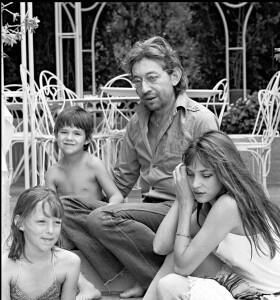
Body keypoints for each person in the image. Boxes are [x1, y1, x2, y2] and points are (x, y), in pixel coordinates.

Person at [79, 35, 219, 298]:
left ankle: (151, 276)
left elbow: (218, 183)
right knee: (67, 206)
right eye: (137, 81)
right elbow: (122, 181)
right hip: (147, 210)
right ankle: (135, 273)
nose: (143, 88)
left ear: (174, 76)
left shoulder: (201, 120)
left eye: (152, 78)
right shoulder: (135, 122)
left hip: (182, 208)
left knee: (102, 218)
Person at [143, 130, 280, 300]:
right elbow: (161, 246)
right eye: (190, 174)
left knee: (170, 284)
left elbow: (182, 268)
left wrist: (186, 205)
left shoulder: (229, 205)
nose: (196, 184)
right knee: (175, 256)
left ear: (225, 172)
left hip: (278, 296)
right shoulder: (210, 207)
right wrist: (180, 200)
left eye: (206, 175)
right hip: (248, 290)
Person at [45, 105, 124, 299]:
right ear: (56, 135)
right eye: (63, 132)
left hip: (92, 223)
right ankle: (86, 286)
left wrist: (105, 214)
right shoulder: (53, 172)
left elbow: (116, 196)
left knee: (66, 207)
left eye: (76, 133)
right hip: (67, 227)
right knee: (46, 241)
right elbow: (49, 208)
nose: (69, 137)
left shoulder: (93, 164)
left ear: (87, 139)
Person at [2, 186, 81, 300]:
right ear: (20, 223)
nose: (50, 230)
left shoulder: (70, 263)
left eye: (57, 223)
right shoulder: (5, 266)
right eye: (41, 221)